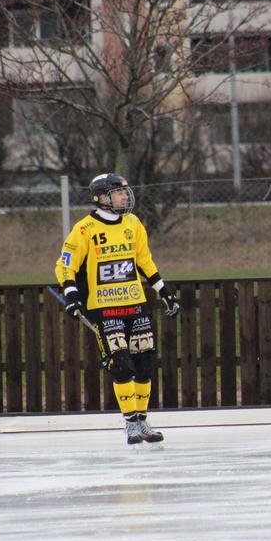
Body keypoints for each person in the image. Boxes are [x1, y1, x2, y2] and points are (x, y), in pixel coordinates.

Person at [54, 173, 180, 445]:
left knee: (144, 364)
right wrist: (72, 295)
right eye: (118, 193)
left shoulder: (133, 223)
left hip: (135, 305)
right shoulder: (84, 229)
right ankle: (131, 423)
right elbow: (65, 265)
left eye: (125, 192)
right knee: (121, 366)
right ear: (102, 197)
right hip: (104, 308)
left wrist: (164, 291)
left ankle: (143, 420)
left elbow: (144, 261)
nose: (125, 197)